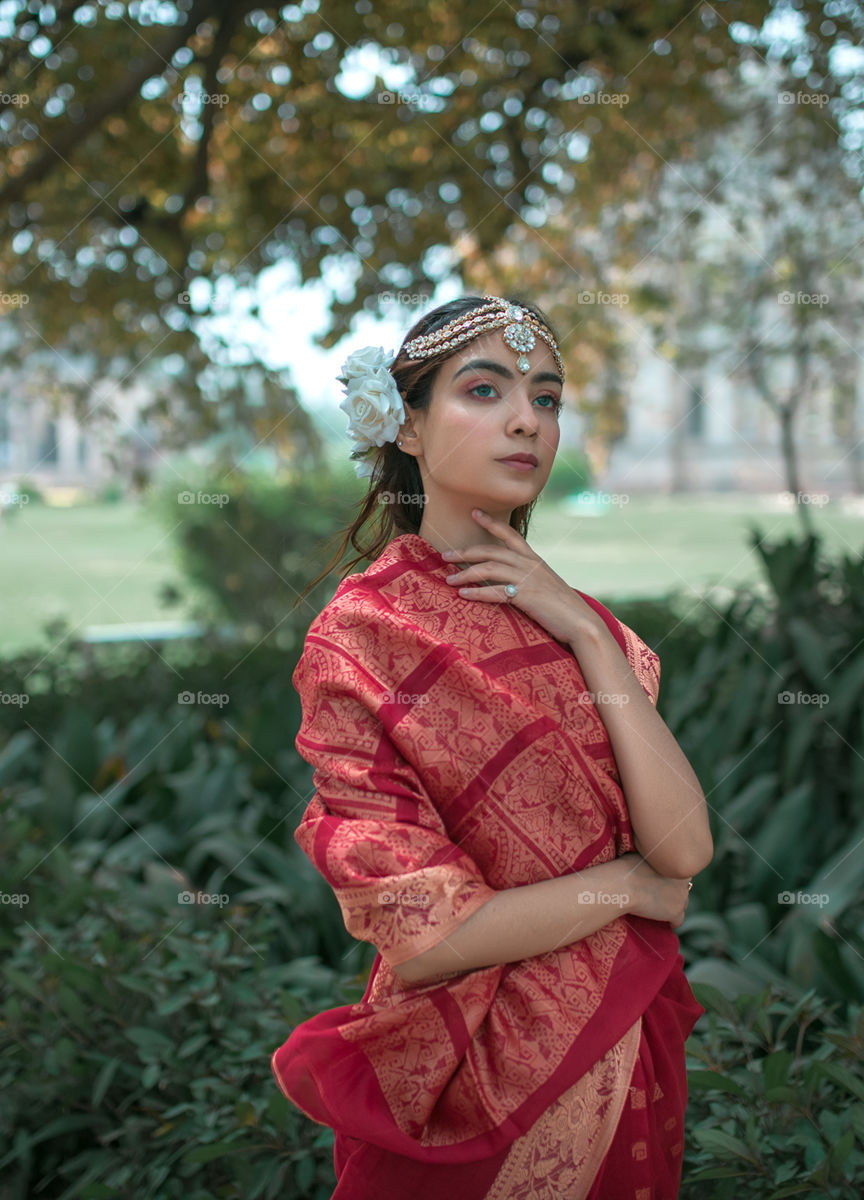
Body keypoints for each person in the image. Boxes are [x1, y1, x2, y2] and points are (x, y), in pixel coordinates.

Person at [271, 294, 714, 1199]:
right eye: (485, 390)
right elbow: (430, 935)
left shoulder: (589, 628)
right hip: (467, 1080)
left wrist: (582, 633)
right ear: (407, 427)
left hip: (623, 1055)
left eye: (546, 398)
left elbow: (685, 851)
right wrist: (627, 889)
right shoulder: (363, 639)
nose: (526, 421)